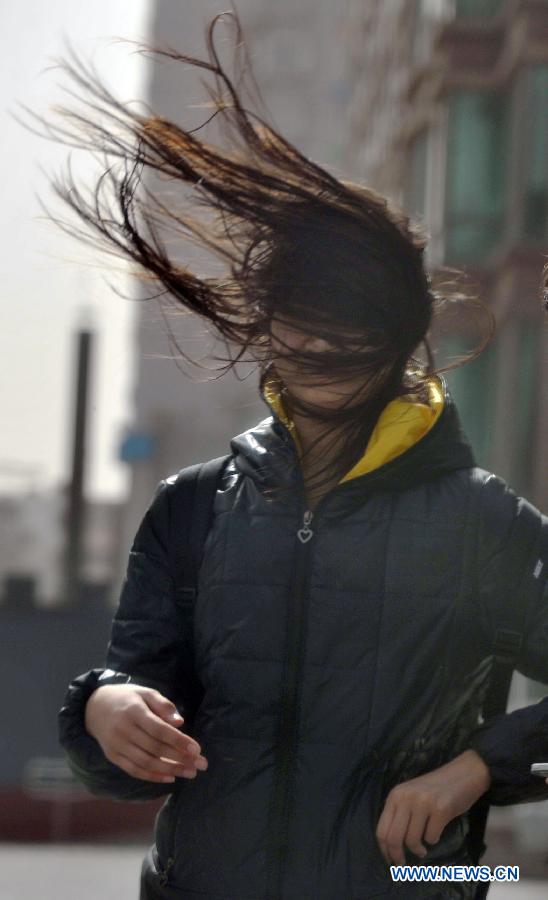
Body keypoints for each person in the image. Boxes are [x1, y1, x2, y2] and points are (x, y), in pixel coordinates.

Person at [26, 9, 548, 899]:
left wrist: (474, 772)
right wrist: (106, 711)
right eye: (299, 350)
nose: (318, 379)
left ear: (397, 344)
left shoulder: (484, 523)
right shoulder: (193, 508)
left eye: (345, 357)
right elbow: (136, 687)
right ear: (267, 329)